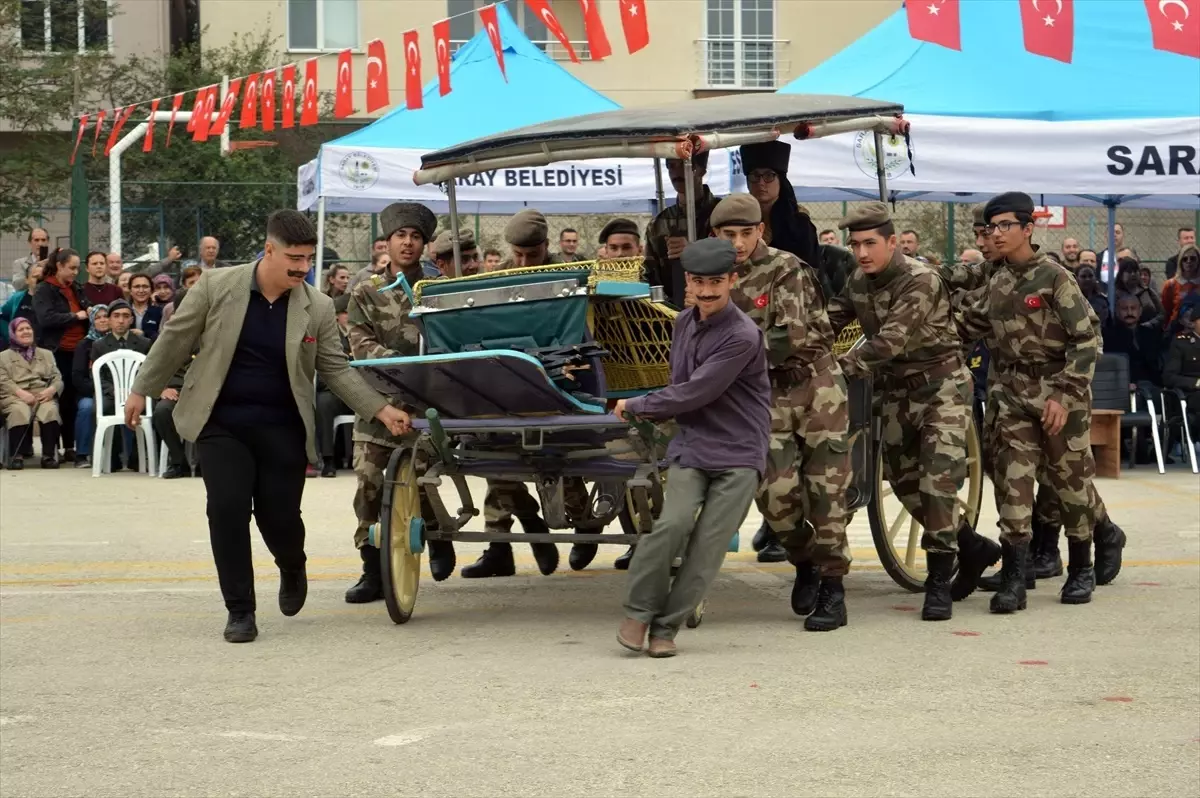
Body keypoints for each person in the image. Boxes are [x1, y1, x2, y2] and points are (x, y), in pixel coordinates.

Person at [124, 210, 411, 644]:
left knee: (280, 520)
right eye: (294, 258)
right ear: (270, 250)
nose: (301, 267)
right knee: (227, 509)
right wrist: (142, 388)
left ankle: (292, 564)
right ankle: (240, 610)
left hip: (282, 426)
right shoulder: (217, 287)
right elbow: (175, 339)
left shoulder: (314, 305)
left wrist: (380, 408)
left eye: (308, 259)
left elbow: (335, 368)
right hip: (222, 423)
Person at [828, 202, 997, 620]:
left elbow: (889, 341)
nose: (862, 253)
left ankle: (939, 579)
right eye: (855, 245)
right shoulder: (858, 281)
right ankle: (973, 547)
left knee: (937, 480)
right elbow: (828, 321)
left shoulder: (919, 280)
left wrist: (834, 372)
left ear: (890, 242)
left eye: (870, 243)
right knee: (905, 484)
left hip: (941, 387)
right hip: (895, 393)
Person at [614, 238, 770, 658]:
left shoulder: (743, 335)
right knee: (671, 525)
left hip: (739, 453)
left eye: (716, 282)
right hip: (695, 445)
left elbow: (695, 391)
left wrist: (636, 405)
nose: (706, 291)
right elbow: (680, 383)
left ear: (733, 280)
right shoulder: (683, 322)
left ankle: (666, 628)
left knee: (707, 547)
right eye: (699, 282)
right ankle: (639, 612)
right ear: (689, 281)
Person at [700, 194, 850, 628]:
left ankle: (834, 590)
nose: (740, 242)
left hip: (816, 387)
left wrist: (724, 365)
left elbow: (791, 337)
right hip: (764, 395)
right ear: (715, 235)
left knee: (826, 493)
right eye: (729, 235)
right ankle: (804, 560)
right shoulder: (713, 278)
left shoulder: (786, 269)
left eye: (747, 233)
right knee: (775, 495)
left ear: (760, 230)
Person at [956, 192, 1105, 614]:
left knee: (1069, 483)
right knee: (1013, 482)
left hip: (1060, 394)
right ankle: (1015, 578)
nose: (996, 234)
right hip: (1012, 396)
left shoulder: (1056, 278)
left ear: (1027, 229)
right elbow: (969, 324)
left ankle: (1081, 568)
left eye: (1005, 226)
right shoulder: (998, 281)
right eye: (991, 227)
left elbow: (1087, 340)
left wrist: (1064, 395)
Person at [345, 202, 461, 599]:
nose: (408, 243)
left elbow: (453, 343)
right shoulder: (366, 290)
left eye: (415, 237)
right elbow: (359, 344)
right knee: (368, 485)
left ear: (425, 245)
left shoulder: (440, 289)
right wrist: (403, 364)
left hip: (428, 402)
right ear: (388, 242)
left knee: (421, 481)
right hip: (377, 402)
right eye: (401, 236)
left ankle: (436, 535)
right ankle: (372, 571)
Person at [467, 209, 580, 577]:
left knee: (566, 470)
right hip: (510, 384)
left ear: (547, 247)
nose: (524, 262)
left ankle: (585, 523)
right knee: (494, 458)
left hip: (562, 386)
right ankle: (524, 525)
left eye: (532, 255)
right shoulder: (496, 278)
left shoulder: (567, 275)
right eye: (517, 254)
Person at [642, 152, 721, 309]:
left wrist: (695, 251)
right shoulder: (659, 224)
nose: (677, 173)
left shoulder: (722, 214)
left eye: (685, 166)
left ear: (702, 170)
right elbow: (651, 277)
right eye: (671, 166)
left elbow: (737, 259)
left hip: (718, 305)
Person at [32, 248, 88, 462]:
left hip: (78, 351)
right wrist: (75, 316)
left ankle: (71, 447)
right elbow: (46, 318)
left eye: (77, 269)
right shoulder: (44, 289)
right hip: (56, 352)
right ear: (60, 266)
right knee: (56, 400)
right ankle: (52, 449)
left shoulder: (75, 288)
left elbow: (85, 309)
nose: (75, 272)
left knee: (72, 401)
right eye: (72, 268)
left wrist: (89, 312)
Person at [0, 318, 63, 469]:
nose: (26, 332)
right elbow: (3, 380)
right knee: (19, 411)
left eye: (28, 328)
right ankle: (17, 456)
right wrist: (20, 393)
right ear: (13, 334)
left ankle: (48, 456)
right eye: (21, 330)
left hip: (42, 394)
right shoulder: (3, 357)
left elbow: (57, 377)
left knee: (50, 410)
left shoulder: (46, 354)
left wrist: (51, 390)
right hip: (14, 396)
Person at [314, 294, 353, 478]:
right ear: (338, 315)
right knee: (324, 402)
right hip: (335, 390)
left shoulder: (363, 332)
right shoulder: (330, 334)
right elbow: (322, 373)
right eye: (348, 312)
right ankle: (328, 460)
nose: (352, 316)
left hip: (362, 388)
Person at [70, 304, 109, 470]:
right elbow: (78, 377)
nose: (102, 320)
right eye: (98, 317)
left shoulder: (119, 342)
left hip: (115, 392)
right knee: (86, 407)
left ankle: (127, 455)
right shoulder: (84, 345)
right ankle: (82, 454)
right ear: (92, 320)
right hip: (90, 391)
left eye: (106, 316)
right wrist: (98, 391)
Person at [1163, 303, 1200, 438]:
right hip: (1191, 393)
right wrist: (1196, 383)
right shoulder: (1181, 343)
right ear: (1193, 323)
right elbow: (1169, 377)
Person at [0, 262, 42, 347]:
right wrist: (10, 336)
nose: (39, 281)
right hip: (18, 349)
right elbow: (2, 318)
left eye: (42, 278)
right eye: (35, 277)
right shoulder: (17, 298)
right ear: (27, 280)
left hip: (44, 350)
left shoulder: (53, 299)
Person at [1115, 256, 1164, 329]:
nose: (1133, 274)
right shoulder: (1115, 295)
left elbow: (1162, 314)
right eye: (1129, 271)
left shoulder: (1148, 292)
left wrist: (1151, 324)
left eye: (1135, 271)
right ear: (1121, 275)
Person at [1162, 243, 1199, 333]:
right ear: (1180, 261)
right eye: (1185, 259)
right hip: (1177, 332)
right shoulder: (1171, 284)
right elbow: (1166, 311)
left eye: (1193, 258)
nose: (1188, 261)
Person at [126, 274, 163, 341]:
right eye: (137, 287)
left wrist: (144, 335)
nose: (141, 290)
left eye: (145, 286)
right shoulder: (123, 311)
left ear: (151, 290)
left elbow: (163, 338)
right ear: (130, 291)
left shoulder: (159, 312)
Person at [11, 228, 49, 293]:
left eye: (43, 240)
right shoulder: (20, 263)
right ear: (30, 242)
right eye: (36, 240)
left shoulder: (54, 262)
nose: (40, 244)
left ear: (47, 242)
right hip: (29, 300)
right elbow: (17, 285)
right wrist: (34, 269)